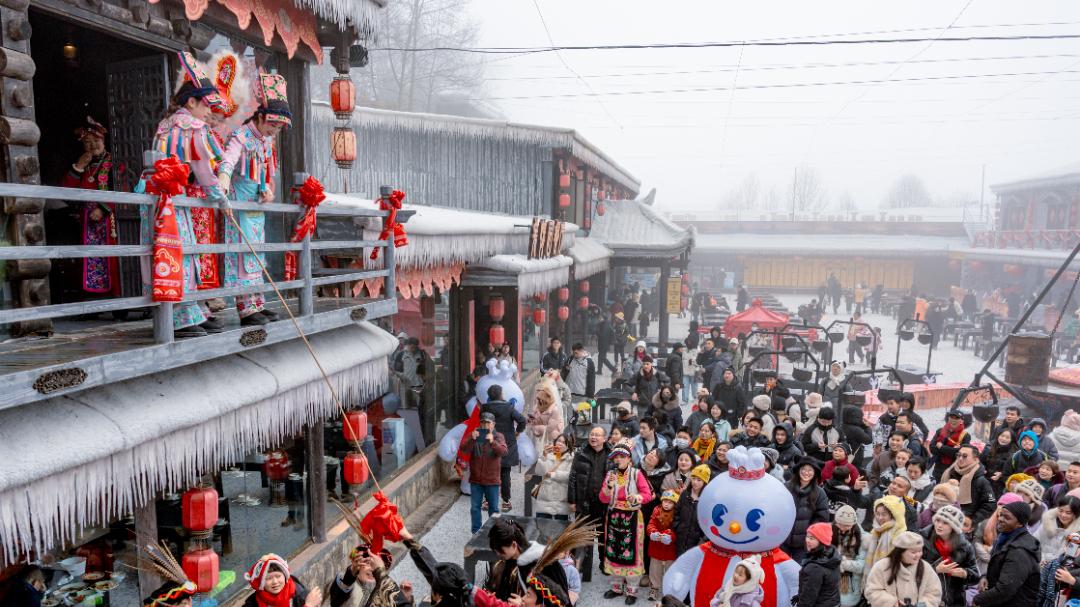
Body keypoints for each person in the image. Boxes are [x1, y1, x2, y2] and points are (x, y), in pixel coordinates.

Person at [147, 52, 229, 338]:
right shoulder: (192, 127)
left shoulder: (165, 125)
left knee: (175, 255)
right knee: (180, 256)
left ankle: (191, 311)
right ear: (191, 102)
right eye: (206, 104)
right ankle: (181, 317)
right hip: (175, 198)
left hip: (160, 198)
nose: (209, 112)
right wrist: (221, 198)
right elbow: (204, 171)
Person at [216, 71, 290, 325]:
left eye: (278, 128)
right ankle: (245, 309)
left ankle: (258, 303)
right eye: (272, 125)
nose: (274, 132)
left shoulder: (266, 142)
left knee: (256, 257)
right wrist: (223, 181)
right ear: (260, 118)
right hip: (239, 204)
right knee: (242, 258)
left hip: (255, 206)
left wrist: (268, 188)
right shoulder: (241, 136)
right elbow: (228, 161)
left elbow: (266, 172)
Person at [61, 116, 120, 299]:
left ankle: (115, 300)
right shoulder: (82, 164)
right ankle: (91, 301)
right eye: (88, 142)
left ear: (104, 141)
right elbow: (65, 191)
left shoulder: (114, 163)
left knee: (112, 261)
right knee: (86, 259)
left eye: (97, 140)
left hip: (109, 219)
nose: (93, 145)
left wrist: (103, 208)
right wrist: (79, 166)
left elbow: (123, 188)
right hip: (87, 221)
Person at [600, 443, 655, 604]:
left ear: (629, 458)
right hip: (614, 518)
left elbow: (648, 494)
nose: (618, 459)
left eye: (621, 456)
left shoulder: (637, 474)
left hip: (632, 518)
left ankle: (632, 590)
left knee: (632, 553)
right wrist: (609, 487)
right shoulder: (610, 474)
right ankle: (616, 586)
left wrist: (636, 498)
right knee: (613, 551)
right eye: (615, 457)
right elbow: (602, 499)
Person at [972, 501, 1041, 607]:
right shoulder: (1004, 537)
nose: (1000, 519)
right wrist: (985, 577)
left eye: (1007, 518)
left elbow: (1006, 589)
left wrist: (978, 600)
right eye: (1001, 515)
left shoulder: (1019, 551)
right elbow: (1000, 568)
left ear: (1019, 523)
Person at [485, 518, 570, 601]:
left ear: (514, 545)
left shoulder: (538, 565)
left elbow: (557, 601)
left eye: (500, 550)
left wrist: (521, 603)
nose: (498, 554)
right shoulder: (524, 563)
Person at [920, 504, 979, 607]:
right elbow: (912, 570)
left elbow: (975, 576)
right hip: (927, 598)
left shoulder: (965, 546)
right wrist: (935, 569)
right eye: (938, 520)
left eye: (945, 522)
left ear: (954, 526)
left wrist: (965, 573)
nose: (939, 525)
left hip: (954, 601)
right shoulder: (921, 540)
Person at [863, 531, 942, 607]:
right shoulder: (882, 567)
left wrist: (921, 605)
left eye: (920, 551)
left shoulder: (926, 568)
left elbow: (934, 593)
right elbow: (871, 591)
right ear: (900, 552)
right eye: (913, 552)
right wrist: (891, 602)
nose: (918, 555)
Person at [482, 384, 527, 511]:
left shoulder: (485, 408)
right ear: (501, 394)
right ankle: (506, 502)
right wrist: (517, 431)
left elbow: (481, 425)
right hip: (507, 443)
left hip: (490, 443)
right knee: (505, 473)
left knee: (489, 473)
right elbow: (522, 420)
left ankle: (487, 501)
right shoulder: (509, 407)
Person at [462, 411, 509, 532]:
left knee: (493, 509)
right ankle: (476, 532)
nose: (485, 425)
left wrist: (493, 442)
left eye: (488, 423)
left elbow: (503, 452)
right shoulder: (475, 434)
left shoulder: (498, 436)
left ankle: (495, 532)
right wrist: (472, 439)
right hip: (476, 480)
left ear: (493, 424)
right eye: (482, 422)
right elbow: (463, 449)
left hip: (492, 480)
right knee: (475, 508)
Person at [329, 541, 407, 607]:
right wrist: (350, 575)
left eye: (376, 567)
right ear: (358, 564)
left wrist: (406, 598)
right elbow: (335, 601)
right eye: (368, 563)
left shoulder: (385, 589)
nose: (372, 569)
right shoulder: (345, 582)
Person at [783, 458, 831, 563]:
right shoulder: (786, 487)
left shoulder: (819, 493)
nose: (806, 473)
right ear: (798, 470)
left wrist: (810, 535)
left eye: (810, 470)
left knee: (799, 572)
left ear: (814, 473)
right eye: (804, 469)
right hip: (783, 538)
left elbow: (822, 517)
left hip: (803, 543)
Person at [940, 445, 997, 523]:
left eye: (965, 456)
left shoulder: (981, 480)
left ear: (975, 459)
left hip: (964, 522)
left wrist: (972, 520)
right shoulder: (949, 473)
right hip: (942, 517)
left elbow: (990, 504)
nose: (960, 458)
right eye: (958, 455)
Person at [245, 554, 322, 607]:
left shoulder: (301, 596)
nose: (275, 582)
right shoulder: (252, 603)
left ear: (285, 577)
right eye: (268, 578)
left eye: (278, 576)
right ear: (260, 583)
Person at [647, 489, 681, 603]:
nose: (667, 504)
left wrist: (670, 536)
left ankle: (669, 589)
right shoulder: (656, 510)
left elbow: (677, 529)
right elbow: (651, 523)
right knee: (655, 569)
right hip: (656, 547)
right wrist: (652, 532)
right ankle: (654, 587)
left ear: (675, 503)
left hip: (669, 549)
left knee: (670, 569)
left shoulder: (676, 514)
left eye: (670, 502)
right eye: (665, 501)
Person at [833, 505, 869, 607]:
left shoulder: (863, 539)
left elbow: (862, 566)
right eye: (840, 525)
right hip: (832, 581)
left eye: (847, 526)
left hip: (851, 585)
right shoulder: (832, 532)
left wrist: (842, 563)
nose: (843, 529)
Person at [798, 523, 842, 607]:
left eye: (812, 538)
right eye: (807, 536)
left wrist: (801, 600)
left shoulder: (815, 568)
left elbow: (807, 599)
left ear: (822, 541)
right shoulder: (832, 556)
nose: (807, 540)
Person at [534, 433, 575, 521]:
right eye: (559, 441)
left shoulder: (571, 459)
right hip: (545, 498)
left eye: (564, 442)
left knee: (560, 529)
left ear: (568, 446)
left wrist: (553, 475)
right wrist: (544, 456)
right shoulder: (548, 455)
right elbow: (539, 471)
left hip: (561, 500)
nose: (560, 444)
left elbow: (570, 476)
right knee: (541, 527)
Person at [673, 464, 710, 557]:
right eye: (694, 478)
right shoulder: (685, 494)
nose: (695, 482)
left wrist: (703, 538)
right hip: (681, 536)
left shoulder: (707, 499)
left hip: (696, 540)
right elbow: (676, 511)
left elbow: (708, 521)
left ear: (705, 482)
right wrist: (677, 527)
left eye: (699, 480)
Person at [866, 496, 909, 572]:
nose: (880, 518)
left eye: (884, 514)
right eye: (878, 514)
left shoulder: (899, 534)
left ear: (892, 515)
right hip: (872, 574)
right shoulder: (876, 529)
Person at [527, 380, 565, 459]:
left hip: (554, 433)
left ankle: (556, 463)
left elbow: (550, 428)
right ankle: (545, 462)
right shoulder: (537, 407)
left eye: (542, 400)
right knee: (545, 453)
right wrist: (532, 420)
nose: (539, 401)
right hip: (545, 434)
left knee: (555, 449)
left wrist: (538, 428)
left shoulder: (554, 410)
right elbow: (538, 419)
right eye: (538, 399)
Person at [1036, 495, 1080, 563]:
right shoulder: (1047, 522)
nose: (1063, 515)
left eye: (1068, 513)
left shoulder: (1077, 534)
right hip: (1038, 565)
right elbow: (1033, 543)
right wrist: (1041, 559)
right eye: (1061, 510)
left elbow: (1070, 559)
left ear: (1075, 514)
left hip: (1060, 571)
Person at [929, 411, 971, 480]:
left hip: (954, 472)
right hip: (938, 470)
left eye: (957, 418)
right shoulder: (940, 431)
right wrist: (952, 450)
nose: (953, 420)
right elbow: (932, 449)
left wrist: (942, 447)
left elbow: (961, 454)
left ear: (961, 421)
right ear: (948, 418)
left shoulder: (965, 435)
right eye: (951, 417)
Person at [981, 429, 1017, 496]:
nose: (1003, 439)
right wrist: (982, 468)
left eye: (1007, 437)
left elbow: (1014, 471)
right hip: (985, 481)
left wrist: (1001, 474)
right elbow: (980, 461)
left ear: (1011, 440)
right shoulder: (989, 447)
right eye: (1002, 436)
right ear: (998, 436)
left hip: (1001, 485)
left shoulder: (1014, 453)